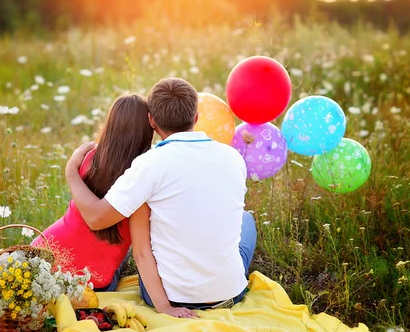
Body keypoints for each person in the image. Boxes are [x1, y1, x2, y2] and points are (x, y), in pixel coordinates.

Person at [66, 78, 257, 318]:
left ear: (151, 121)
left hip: (171, 296)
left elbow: (96, 219)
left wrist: (71, 173)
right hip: (230, 293)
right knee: (246, 220)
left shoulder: (148, 165)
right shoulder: (233, 157)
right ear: (196, 117)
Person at [32, 94, 154, 291]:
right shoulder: (140, 181)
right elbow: (143, 250)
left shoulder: (88, 158)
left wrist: (71, 168)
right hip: (91, 281)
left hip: (45, 252)